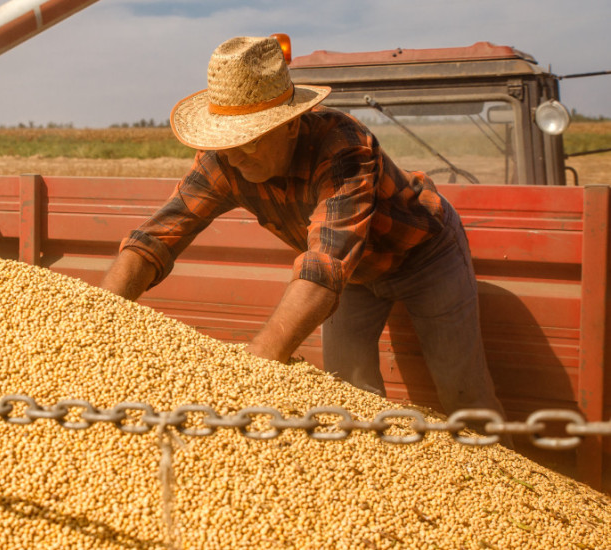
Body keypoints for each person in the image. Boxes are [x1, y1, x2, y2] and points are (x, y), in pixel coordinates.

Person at [98, 35, 507, 418]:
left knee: (462, 394)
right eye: (226, 142)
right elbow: (156, 239)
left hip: (423, 255)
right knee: (349, 392)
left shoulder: (342, 146)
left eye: (249, 141)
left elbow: (325, 265)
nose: (235, 157)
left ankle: (493, 465)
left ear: (291, 124)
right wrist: (98, 319)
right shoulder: (225, 160)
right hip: (353, 274)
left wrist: (254, 369)